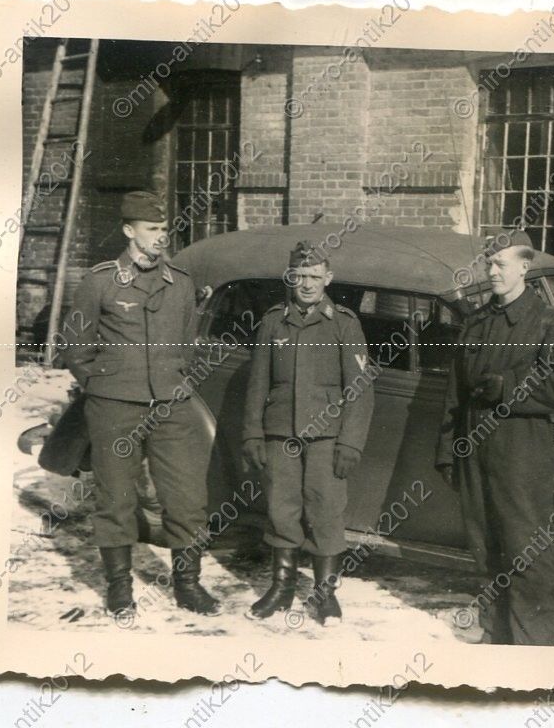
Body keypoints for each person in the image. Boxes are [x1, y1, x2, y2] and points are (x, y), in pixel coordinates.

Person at [61, 190, 220, 619]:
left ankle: (188, 586)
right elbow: (76, 347)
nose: (161, 236)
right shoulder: (100, 281)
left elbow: (188, 344)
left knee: (187, 498)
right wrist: (103, 388)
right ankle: (119, 589)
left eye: (164, 228)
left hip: (171, 406)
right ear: (129, 231)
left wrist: (175, 384)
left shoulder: (180, 283)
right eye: (152, 229)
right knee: (115, 499)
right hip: (115, 407)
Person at [435, 229, 554, 646]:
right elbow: (454, 392)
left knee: (526, 551)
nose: (492, 271)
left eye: (501, 264)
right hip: (474, 449)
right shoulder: (477, 321)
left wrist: (510, 386)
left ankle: (531, 647)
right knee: (484, 546)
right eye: (489, 263)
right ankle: (496, 634)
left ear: (524, 266)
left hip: (520, 451)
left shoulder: (548, 322)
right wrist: (447, 450)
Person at [242, 241, 374, 625]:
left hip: (327, 437)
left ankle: (325, 595)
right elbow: (257, 383)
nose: (307, 284)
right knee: (281, 509)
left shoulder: (344, 323)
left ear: (328, 278)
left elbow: (359, 389)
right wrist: (252, 433)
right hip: (281, 433)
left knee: (326, 510)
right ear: (290, 277)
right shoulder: (274, 321)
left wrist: (350, 442)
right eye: (299, 276)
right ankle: (281, 589)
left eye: (315, 276)